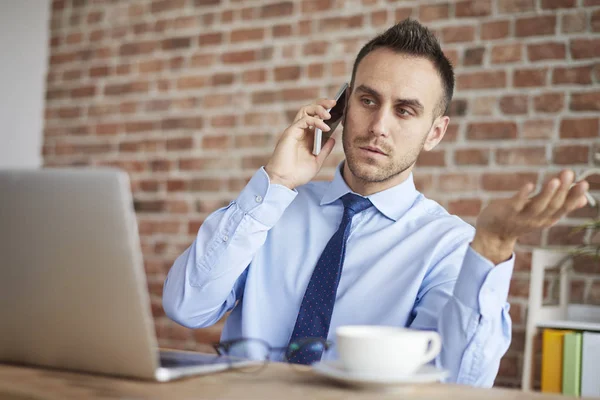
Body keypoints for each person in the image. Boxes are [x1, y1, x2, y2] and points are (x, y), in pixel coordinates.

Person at [162, 19, 590, 386]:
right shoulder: (273, 206)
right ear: (344, 106)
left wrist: (493, 248)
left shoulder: (451, 245)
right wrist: (275, 182)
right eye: (368, 101)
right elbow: (187, 307)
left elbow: (461, 381)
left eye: (405, 111)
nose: (378, 126)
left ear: (435, 133)